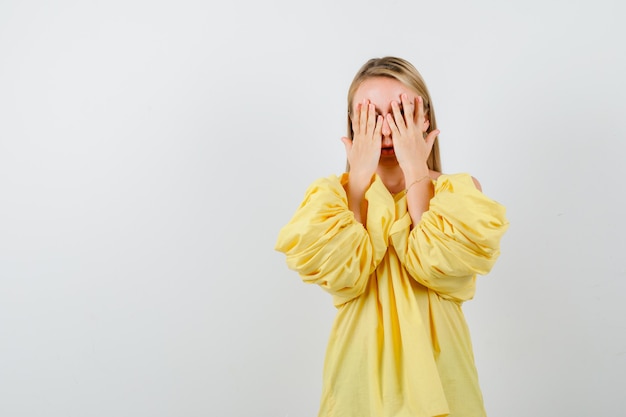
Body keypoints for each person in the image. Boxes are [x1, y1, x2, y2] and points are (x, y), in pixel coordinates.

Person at [275, 56, 509, 417]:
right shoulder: (331, 200)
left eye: (400, 112)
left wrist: (416, 166)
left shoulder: (458, 195)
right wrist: (358, 178)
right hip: (358, 383)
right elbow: (345, 274)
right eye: (370, 115)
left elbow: (436, 263)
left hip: (442, 379)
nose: (385, 129)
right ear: (352, 123)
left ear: (425, 117)